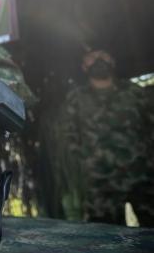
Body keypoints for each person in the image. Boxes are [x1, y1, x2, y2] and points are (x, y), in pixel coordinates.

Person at [58, 48, 154, 225]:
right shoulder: (76, 99)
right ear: (84, 66)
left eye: (103, 55)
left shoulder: (135, 92)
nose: (98, 60)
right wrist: (88, 160)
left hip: (143, 177)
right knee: (104, 233)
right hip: (100, 183)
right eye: (92, 57)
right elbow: (69, 136)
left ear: (113, 62)